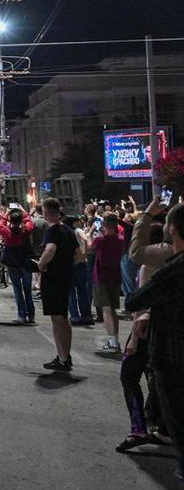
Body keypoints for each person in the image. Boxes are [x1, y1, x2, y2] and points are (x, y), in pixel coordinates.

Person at [125, 203, 184, 480]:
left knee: (176, 416)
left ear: (172, 229)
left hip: (171, 352)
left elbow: (135, 299)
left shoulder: (172, 268)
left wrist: (145, 214)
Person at [38, 197, 79, 372]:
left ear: (46, 212)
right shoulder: (69, 230)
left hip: (53, 279)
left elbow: (50, 249)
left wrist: (41, 264)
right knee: (64, 317)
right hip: (67, 277)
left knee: (57, 320)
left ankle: (62, 358)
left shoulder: (53, 231)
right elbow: (80, 253)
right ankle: (65, 355)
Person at [93, 213, 124, 353]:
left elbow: (88, 247)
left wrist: (89, 232)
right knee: (113, 310)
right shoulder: (121, 239)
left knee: (106, 310)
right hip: (115, 276)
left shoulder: (100, 240)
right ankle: (115, 340)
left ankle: (112, 342)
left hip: (101, 277)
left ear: (104, 224)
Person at [0, 206, 36, 324]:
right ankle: (31, 315)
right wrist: (23, 212)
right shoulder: (26, 230)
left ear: (11, 220)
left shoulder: (7, 233)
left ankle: (21, 314)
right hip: (25, 262)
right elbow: (29, 221)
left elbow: (1, 224)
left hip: (12, 263)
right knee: (28, 290)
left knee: (17, 288)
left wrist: (6, 214)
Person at [66, 214, 94, 326]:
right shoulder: (76, 230)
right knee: (82, 291)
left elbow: (86, 239)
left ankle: (75, 316)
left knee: (71, 292)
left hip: (72, 263)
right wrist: (84, 254)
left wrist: (84, 253)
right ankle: (86, 315)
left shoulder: (72, 231)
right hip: (81, 263)